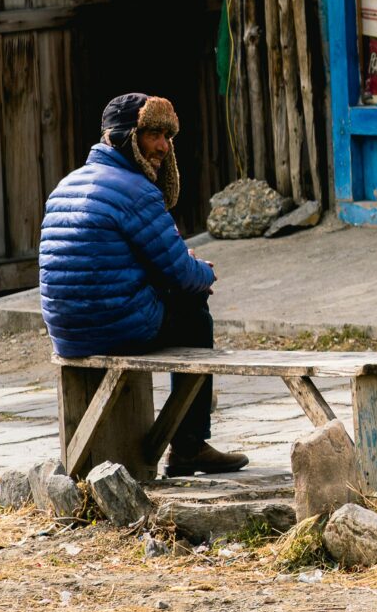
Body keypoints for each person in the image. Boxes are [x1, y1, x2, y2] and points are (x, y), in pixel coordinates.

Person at [37, 94, 247, 475]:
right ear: (124, 137)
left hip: (67, 333)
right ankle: (188, 446)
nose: (164, 147)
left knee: (172, 296)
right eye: (153, 134)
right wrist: (205, 274)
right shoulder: (135, 191)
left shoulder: (67, 184)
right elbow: (180, 272)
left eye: (168, 136)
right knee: (195, 315)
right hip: (114, 328)